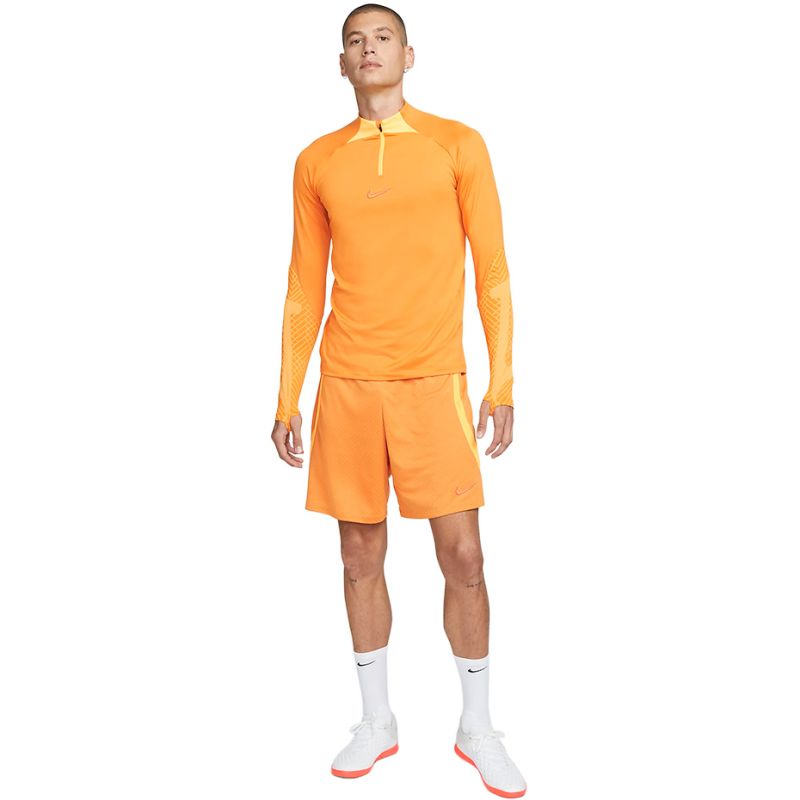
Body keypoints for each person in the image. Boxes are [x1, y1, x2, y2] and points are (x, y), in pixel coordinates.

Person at [271, 4, 525, 796]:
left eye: (382, 37)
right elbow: (303, 287)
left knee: (465, 557)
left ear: (409, 55)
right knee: (358, 555)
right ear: (340, 64)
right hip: (347, 384)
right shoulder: (317, 160)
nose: (368, 48)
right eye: (355, 40)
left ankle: (477, 725)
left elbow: (492, 270)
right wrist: (286, 396)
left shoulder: (458, 144)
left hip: (433, 382)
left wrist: (502, 380)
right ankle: (376, 718)